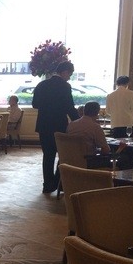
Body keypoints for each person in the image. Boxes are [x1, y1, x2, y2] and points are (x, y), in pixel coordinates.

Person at [32, 61, 79, 193]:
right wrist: (79, 121)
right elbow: (69, 107)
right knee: (64, 155)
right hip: (59, 125)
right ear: (64, 72)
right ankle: (58, 183)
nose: (69, 78)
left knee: (48, 156)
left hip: (43, 125)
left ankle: (47, 185)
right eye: (69, 74)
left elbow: (35, 104)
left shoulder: (41, 84)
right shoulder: (65, 86)